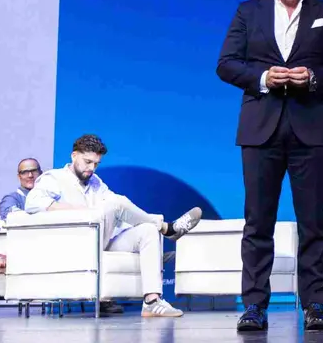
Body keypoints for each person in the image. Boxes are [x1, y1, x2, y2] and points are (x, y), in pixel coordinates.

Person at [216, 0, 323, 332]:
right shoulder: (249, 11)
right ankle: (254, 306)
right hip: (259, 129)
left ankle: (315, 305)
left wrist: (313, 77)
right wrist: (263, 77)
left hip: (309, 128)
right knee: (257, 223)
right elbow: (226, 64)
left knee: (313, 222)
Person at [24, 134, 202, 317]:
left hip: (100, 239)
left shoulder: (95, 182)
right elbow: (32, 202)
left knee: (147, 230)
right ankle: (167, 228)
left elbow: (116, 209)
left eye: (96, 164)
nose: (91, 168)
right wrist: (83, 210)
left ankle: (151, 301)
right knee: (116, 203)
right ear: (74, 155)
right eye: (87, 162)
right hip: (76, 241)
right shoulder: (54, 178)